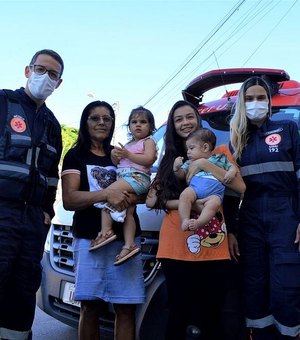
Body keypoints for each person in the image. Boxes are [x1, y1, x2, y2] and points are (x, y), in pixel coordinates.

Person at [146, 100, 246, 340]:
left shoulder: (220, 153)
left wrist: (203, 163)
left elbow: (240, 187)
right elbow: (151, 201)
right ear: (172, 125)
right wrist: (187, 203)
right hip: (175, 244)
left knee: (213, 314)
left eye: (189, 116)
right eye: (178, 119)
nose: (184, 122)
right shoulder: (172, 161)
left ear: (198, 119)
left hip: (213, 244)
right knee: (177, 314)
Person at [61, 100, 145, 340]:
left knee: (126, 307)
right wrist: (107, 193)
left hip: (124, 242)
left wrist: (130, 196)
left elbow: (141, 188)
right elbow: (69, 199)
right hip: (90, 239)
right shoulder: (75, 155)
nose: (101, 122)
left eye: (107, 118)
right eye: (94, 118)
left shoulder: (121, 154)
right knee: (89, 307)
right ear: (85, 122)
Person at [229, 76, 300, 339]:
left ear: (270, 102)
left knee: (286, 289)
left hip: (286, 215)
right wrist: (231, 231)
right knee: (254, 288)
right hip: (250, 219)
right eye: (249, 98)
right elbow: (230, 194)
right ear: (241, 103)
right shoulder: (236, 142)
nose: (255, 103)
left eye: (261, 98)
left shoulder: (288, 129)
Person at [0, 49, 63, 340]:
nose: (45, 77)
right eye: (41, 69)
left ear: (58, 83)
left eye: (53, 74)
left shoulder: (52, 125)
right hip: (3, 210)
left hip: (33, 220)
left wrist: (47, 212)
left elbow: (51, 177)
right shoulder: (4, 102)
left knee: (24, 287)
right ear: (27, 70)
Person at [89, 106, 157, 265]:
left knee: (107, 194)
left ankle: (106, 231)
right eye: (134, 122)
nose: (138, 125)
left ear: (151, 127)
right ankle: (129, 245)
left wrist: (127, 154)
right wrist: (115, 156)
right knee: (129, 213)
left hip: (137, 178)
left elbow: (149, 160)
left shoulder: (148, 142)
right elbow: (118, 163)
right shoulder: (127, 144)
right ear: (129, 127)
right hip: (126, 179)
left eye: (143, 122)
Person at [174, 128, 238, 231]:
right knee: (184, 195)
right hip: (194, 189)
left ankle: (199, 222)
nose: (188, 152)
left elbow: (233, 167)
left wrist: (231, 172)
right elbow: (181, 175)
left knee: (214, 203)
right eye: (187, 149)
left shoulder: (219, 158)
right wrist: (176, 168)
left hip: (214, 194)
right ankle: (185, 220)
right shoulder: (190, 162)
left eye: (191, 148)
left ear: (205, 147)